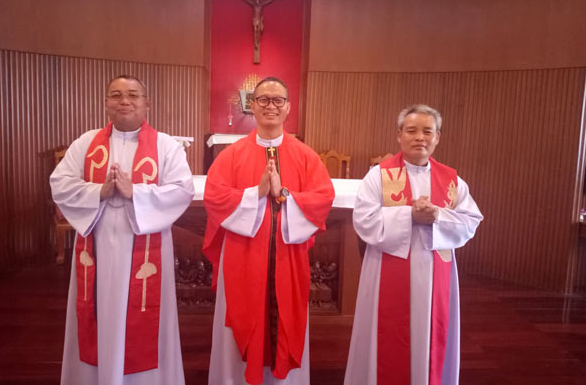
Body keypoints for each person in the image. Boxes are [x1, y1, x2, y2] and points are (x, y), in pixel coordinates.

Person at [50, 75, 195, 385]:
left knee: (145, 317)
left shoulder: (165, 146)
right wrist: (99, 192)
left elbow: (182, 190)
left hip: (145, 244)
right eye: (115, 95)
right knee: (96, 313)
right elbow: (60, 184)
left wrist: (135, 193)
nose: (124, 101)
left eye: (132, 95)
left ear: (147, 103)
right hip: (97, 242)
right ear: (106, 103)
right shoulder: (86, 143)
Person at [203, 77, 335, 385]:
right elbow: (214, 197)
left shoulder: (306, 156)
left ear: (288, 107)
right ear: (252, 105)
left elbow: (322, 198)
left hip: (288, 260)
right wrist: (256, 193)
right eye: (263, 99)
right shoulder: (231, 155)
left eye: (278, 100)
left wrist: (283, 194)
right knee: (239, 324)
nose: (270, 106)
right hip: (241, 260)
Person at [344, 104, 483, 385]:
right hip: (387, 271)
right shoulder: (378, 176)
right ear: (399, 135)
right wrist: (409, 215)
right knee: (386, 338)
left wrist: (437, 216)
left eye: (427, 131)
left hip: (435, 272)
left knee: (432, 333)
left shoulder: (452, 180)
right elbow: (364, 220)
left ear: (437, 137)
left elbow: (471, 220)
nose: (420, 137)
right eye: (412, 131)